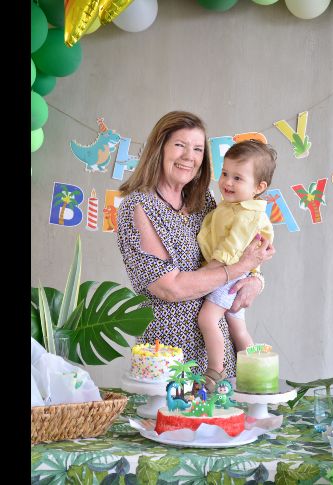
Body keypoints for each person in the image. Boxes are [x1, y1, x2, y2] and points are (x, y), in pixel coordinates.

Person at [116, 111, 275, 388]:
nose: (189, 156)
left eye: (198, 148)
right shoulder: (139, 207)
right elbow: (171, 288)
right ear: (159, 148)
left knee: (225, 423)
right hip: (170, 351)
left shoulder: (205, 200)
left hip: (217, 352)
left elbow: (246, 245)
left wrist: (255, 280)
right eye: (180, 145)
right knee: (172, 423)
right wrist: (238, 269)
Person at [196, 140, 277, 392]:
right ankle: (257, 373)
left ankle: (215, 371)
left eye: (238, 178)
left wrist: (210, 270)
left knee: (208, 319)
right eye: (224, 174)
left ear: (259, 187)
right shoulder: (231, 206)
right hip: (235, 272)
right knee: (237, 327)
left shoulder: (247, 214)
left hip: (229, 274)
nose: (227, 183)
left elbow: (233, 246)